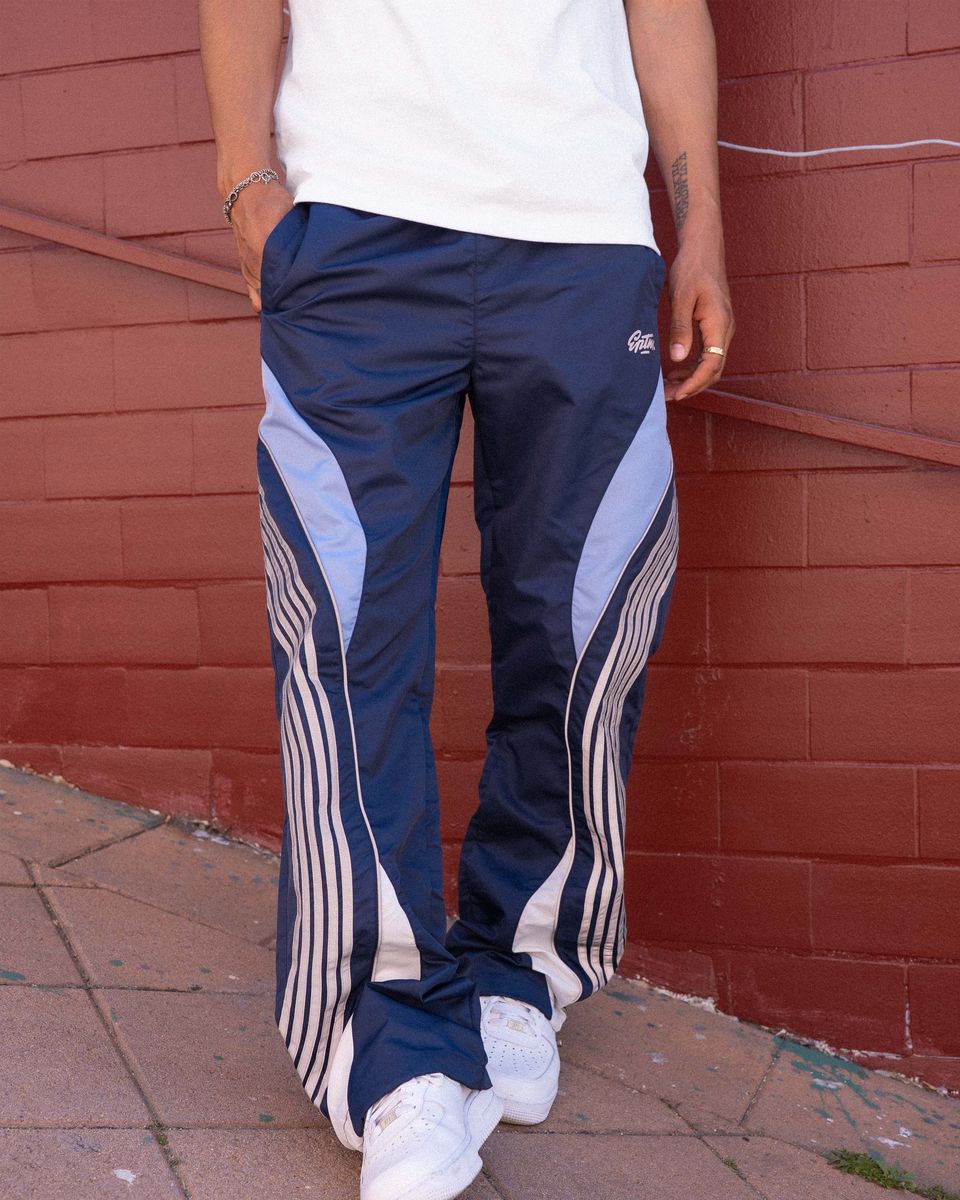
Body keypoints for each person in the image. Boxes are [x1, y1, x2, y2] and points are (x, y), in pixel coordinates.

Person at [199, 2, 734, 1197]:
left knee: (590, 624)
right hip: (356, 230)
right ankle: (386, 1041)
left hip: (585, 236)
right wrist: (248, 186)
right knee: (345, 636)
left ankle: (520, 967)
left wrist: (698, 229)